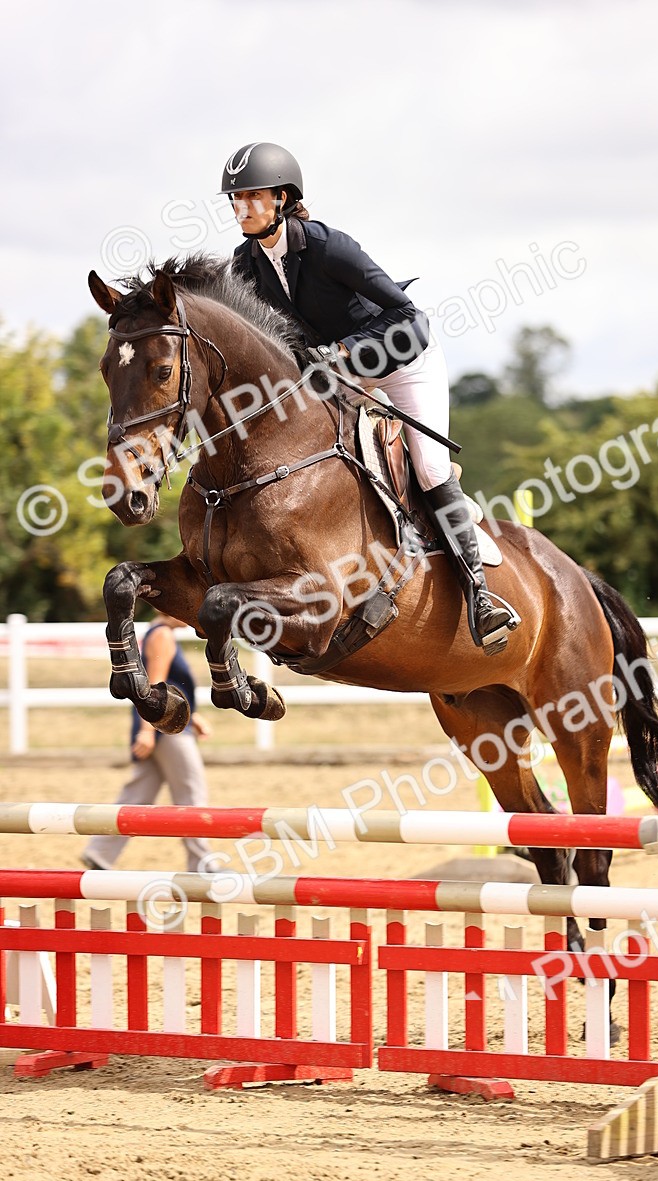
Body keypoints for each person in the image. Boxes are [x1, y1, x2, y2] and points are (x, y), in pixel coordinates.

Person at [220, 141, 518, 655]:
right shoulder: (245, 265)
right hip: (341, 377)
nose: (241, 207)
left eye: (252, 196)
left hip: (402, 361)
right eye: (235, 199)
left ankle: (479, 593)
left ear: (284, 198)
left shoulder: (331, 247)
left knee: (428, 467)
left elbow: (406, 316)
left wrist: (339, 351)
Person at [81, 616, 214, 873]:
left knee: (137, 794)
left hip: (166, 727)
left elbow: (169, 687)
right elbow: (153, 690)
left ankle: (99, 851)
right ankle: (201, 863)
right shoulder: (162, 635)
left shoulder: (157, 633)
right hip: (166, 731)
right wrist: (148, 731)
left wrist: (192, 717)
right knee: (192, 791)